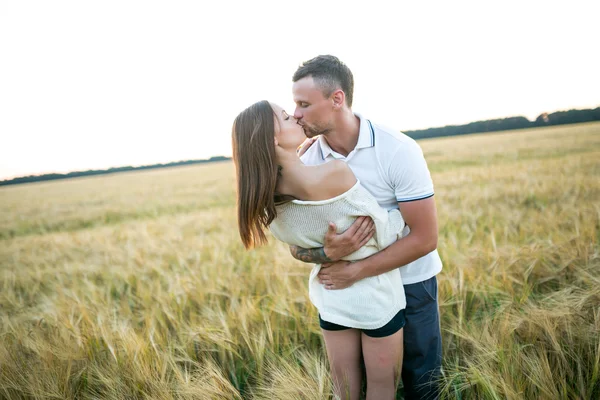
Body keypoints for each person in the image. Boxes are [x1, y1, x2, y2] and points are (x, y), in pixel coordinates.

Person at [232, 100, 409, 400]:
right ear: (274, 139)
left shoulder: (269, 202)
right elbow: (382, 229)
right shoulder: (335, 173)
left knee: (344, 391)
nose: (296, 118)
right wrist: (399, 215)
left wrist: (327, 254)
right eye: (286, 117)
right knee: (382, 388)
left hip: (331, 295)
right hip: (376, 296)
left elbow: (297, 248)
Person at [289, 55, 443, 400]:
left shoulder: (397, 150)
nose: (295, 113)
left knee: (423, 386)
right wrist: (328, 252)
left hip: (412, 285)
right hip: (353, 295)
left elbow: (425, 238)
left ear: (337, 99)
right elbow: (295, 246)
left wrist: (356, 269)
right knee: (354, 389)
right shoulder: (307, 162)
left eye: (303, 104)